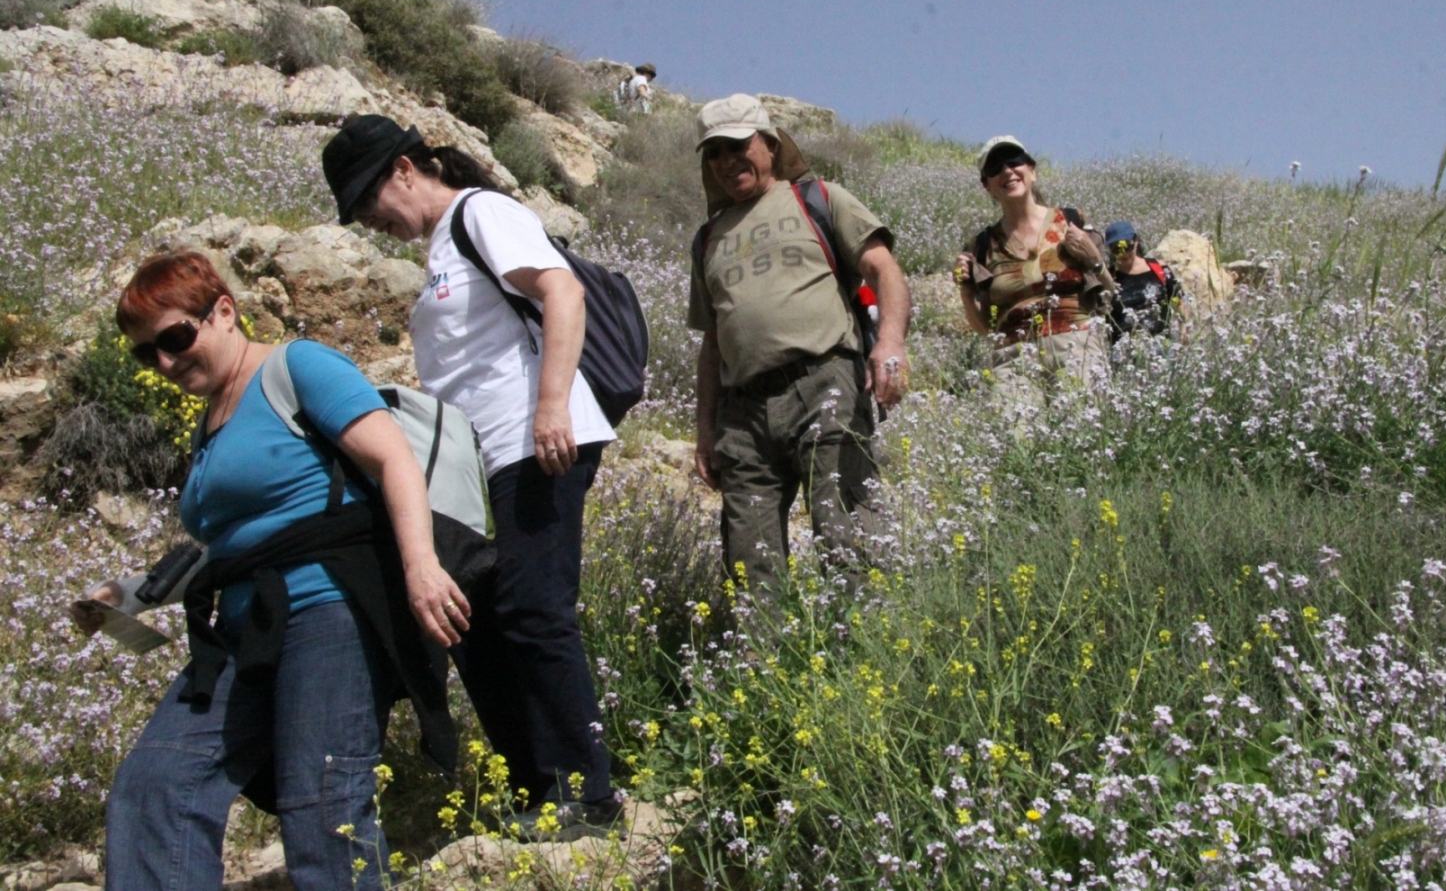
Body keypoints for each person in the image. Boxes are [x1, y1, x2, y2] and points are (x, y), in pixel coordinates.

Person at [77, 251, 467, 890]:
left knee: (323, 805)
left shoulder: (297, 367)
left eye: (175, 339)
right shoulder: (211, 422)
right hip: (243, 629)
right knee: (155, 785)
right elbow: (238, 550)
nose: (166, 363)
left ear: (224, 312)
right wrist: (129, 596)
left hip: (329, 610)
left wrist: (421, 566)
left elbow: (392, 458)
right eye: (147, 355)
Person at [323, 114, 622, 841]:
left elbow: (562, 292)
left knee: (533, 607)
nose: (369, 220)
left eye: (368, 200)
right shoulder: (439, 249)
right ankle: (537, 788)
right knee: (478, 619)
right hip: (485, 460)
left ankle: (588, 794)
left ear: (404, 169)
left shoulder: (479, 212)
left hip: (535, 440)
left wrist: (550, 405)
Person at [687, 94, 910, 626]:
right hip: (741, 410)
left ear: (769, 144)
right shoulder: (709, 238)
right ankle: (766, 667)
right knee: (749, 557)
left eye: (738, 146)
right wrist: (705, 430)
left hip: (824, 381)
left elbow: (884, 270)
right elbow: (713, 342)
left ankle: (866, 651)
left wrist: (889, 344)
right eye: (715, 152)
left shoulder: (818, 198)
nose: (727, 160)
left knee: (847, 532)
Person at [953, 136, 1115, 403]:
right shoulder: (981, 246)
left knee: (1082, 426)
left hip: (1077, 347)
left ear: (1032, 171)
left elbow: (1109, 294)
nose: (1007, 171)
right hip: (1013, 360)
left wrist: (1094, 259)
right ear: (987, 186)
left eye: (1014, 161)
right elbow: (985, 328)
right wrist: (966, 291)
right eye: (995, 167)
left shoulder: (1071, 221)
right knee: (1014, 429)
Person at [1104, 220, 1185, 345]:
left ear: (1136, 241)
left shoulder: (1159, 268)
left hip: (1161, 345)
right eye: (1117, 249)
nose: (1124, 253)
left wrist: (1183, 329)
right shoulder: (1108, 278)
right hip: (1124, 349)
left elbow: (1179, 302)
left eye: (1128, 246)